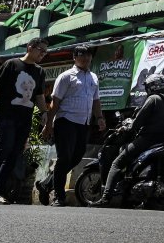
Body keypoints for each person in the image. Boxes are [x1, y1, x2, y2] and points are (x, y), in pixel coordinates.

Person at [0, 38, 49, 203]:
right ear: (30, 47)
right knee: (5, 147)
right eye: (40, 50)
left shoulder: (40, 72)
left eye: (45, 52)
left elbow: (39, 96)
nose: (42, 54)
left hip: (25, 118)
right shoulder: (11, 64)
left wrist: (45, 112)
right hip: (6, 115)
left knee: (15, 153)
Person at [38, 44, 105, 206]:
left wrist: (100, 118)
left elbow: (96, 100)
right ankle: (58, 196)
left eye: (88, 55)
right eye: (82, 55)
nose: (86, 58)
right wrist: (48, 125)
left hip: (84, 123)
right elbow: (55, 102)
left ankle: (46, 184)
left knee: (76, 157)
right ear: (74, 58)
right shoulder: (66, 76)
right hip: (65, 121)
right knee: (64, 158)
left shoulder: (94, 77)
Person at [101, 73, 164, 204]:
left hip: (147, 139)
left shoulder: (153, 99)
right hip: (162, 140)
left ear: (152, 87)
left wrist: (128, 127)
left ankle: (105, 197)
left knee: (117, 163)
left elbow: (137, 123)